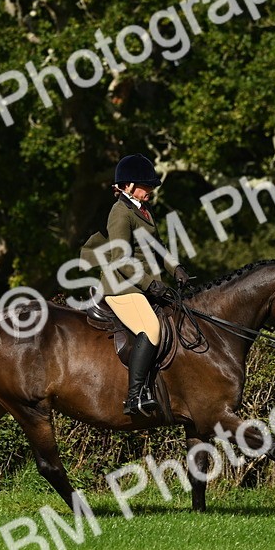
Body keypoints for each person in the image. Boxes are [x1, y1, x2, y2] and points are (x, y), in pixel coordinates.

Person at [80, 154, 189, 417]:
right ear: (128, 186)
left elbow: (157, 246)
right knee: (151, 328)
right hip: (122, 286)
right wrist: (151, 284)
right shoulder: (120, 213)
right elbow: (120, 260)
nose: (151, 190)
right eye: (145, 185)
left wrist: (175, 268)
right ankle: (135, 396)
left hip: (142, 285)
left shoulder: (143, 210)